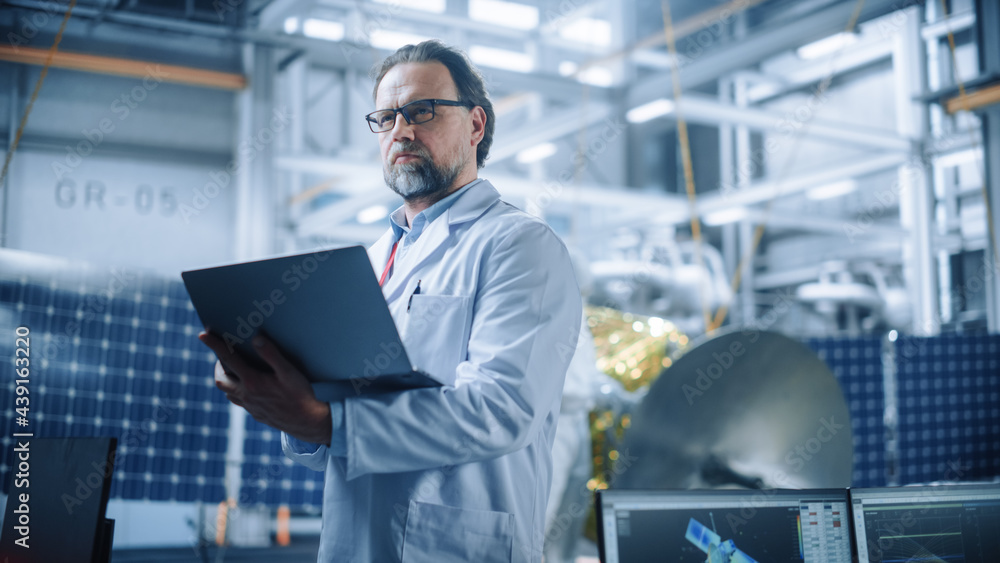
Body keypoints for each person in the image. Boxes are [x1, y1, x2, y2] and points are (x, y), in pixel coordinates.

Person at [199, 40, 582, 562]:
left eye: (421, 112)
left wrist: (325, 422)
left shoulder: (519, 246)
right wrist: (290, 408)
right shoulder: (373, 261)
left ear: (476, 126)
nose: (401, 130)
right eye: (386, 117)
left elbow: (501, 410)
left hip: (460, 546)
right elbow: (339, 437)